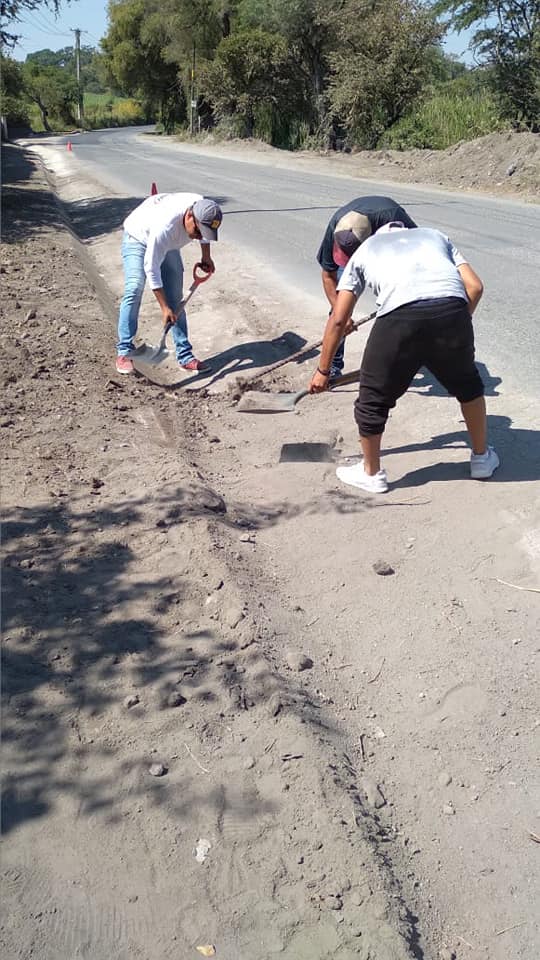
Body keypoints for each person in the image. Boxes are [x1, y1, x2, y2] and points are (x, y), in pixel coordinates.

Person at [309, 222, 500, 493]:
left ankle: (372, 474)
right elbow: (475, 287)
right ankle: (481, 459)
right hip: (452, 312)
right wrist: (448, 329)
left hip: (399, 321)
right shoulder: (436, 235)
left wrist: (323, 370)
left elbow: (339, 319)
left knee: (372, 400)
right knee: (468, 386)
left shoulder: (366, 250)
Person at [115, 193, 223, 375]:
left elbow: (204, 233)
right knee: (134, 288)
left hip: (169, 244)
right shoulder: (165, 227)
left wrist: (206, 255)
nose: (198, 237)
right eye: (197, 232)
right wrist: (164, 308)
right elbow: (152, 269)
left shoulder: (203, 209)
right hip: (138, 238)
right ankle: (124, 351)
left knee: (176, 297)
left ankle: (185, 355)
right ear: (189, 217)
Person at [316, 196, 417, 377]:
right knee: (339, 312)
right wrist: (341, 314)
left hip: (391, 252)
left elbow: (418, 257)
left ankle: (399, 358)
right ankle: (332, 366)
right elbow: (328, 275)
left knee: (397, 309)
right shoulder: (336, 227)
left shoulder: (396, 222)